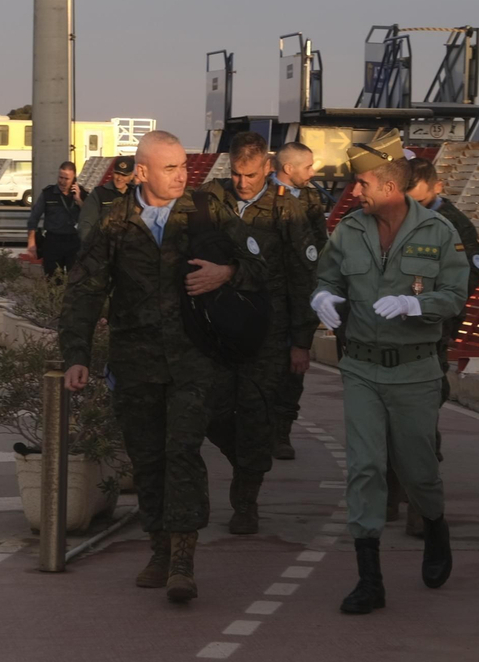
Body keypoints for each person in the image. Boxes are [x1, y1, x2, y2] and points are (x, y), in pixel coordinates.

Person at [61, 130, 263, 604]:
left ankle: (182, 561)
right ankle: (159, 547)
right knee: (148, 458)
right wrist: (77, 355)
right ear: (142, 172)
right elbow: (85, 290)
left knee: (182, 453)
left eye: (183, 167)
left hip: (194, 359)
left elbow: (261, 265)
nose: (181, 176)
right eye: (170, 168)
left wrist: (228, 272)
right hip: (135, 362)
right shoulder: (114, 222)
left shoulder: (206, 212)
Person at [312, 145, 468, 615]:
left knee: (418, 469)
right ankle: (370, 580)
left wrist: (416, 304)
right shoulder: (349, 230)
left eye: (361, 183)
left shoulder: (439, 231)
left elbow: (455, 294)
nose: (353, 190)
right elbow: (328, 277)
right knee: (365, 467)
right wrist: (322, 296)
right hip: (361, 366)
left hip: (415, 369)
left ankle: (435, 525)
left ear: (389, 186)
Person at [200, 132, 318, 533]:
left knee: (255, 417)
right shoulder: (212, 197)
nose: (243, 182)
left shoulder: (287, 210)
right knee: (211, 412)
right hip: (217, 331)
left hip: (267, 333)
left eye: (250, 175)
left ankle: (245, 501)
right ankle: (246, 462)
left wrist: (301, 342)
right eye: (236, 173)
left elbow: (303, 278)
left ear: (268, 168)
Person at [388, 156, 479, 536]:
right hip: (386, 332)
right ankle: (388, 493)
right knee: (382, 417)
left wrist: (423, 304)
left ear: (435, 187)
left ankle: (420, 504)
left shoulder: (453, 225)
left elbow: (466, 280)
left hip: (429, 335)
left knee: (420, 419)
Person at [267, 141, 331, 458]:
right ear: (288, 168)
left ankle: (281, 433)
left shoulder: (311, 198)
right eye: (307, 167)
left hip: (299, 295)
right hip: (266, 301)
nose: (313, 172)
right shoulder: (262, 197)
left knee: (293, 373)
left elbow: (321, 247)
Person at [26, 161, 84, 276]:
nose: (62, 182)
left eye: (66, 179)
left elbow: (89, 215)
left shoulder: (82, 193)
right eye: (60, 177)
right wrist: (31, 242)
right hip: (53, 241)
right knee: (52, 279)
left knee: (75, 279)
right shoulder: (48, 193)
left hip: (74, 242)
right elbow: (34, 217)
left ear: (74, 178)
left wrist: (78, 200)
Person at [78, 155, 134, 242]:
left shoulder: (137, 194)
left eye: (124, 175)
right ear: (112, 172)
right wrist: (90, 246)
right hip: (104, 245)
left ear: (132, 176)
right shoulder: (99, 193)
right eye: (117, 173)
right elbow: (86, 223)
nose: (119, 178)